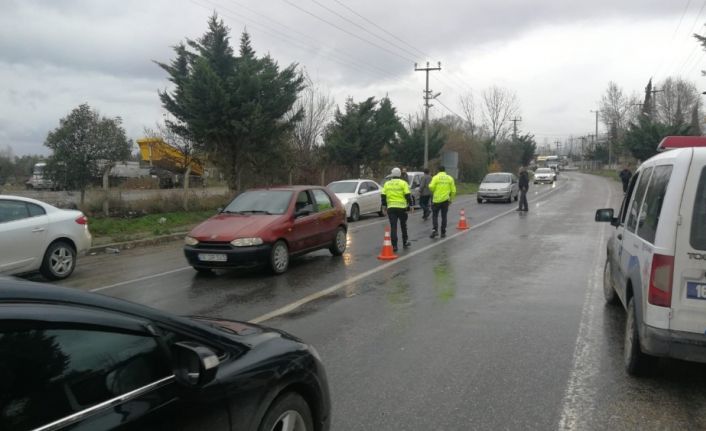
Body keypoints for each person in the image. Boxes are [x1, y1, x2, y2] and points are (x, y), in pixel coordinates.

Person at [381, 167, 412, 252]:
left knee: (393, 227)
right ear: (399, 174)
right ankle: (405, 242)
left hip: (391, 208)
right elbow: (407, 195)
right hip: (402, 208)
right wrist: (411, 205)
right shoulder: (403, 183)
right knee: (403, 225)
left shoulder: (387, 184)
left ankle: (394, 246)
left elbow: (383, 196)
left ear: (392, 174)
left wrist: (384, 206)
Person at [429, 166, 456, 239]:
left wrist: (432, 187)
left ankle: (435, 230)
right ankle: (443, 232)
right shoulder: (449, 178)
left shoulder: (435, 177)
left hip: (436, 200)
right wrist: (451, 199)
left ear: (438, 170)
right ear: (445, 170)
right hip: (445, 200)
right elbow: (453, 191)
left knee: (435, 216)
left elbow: (431, 187)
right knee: (444, 216)